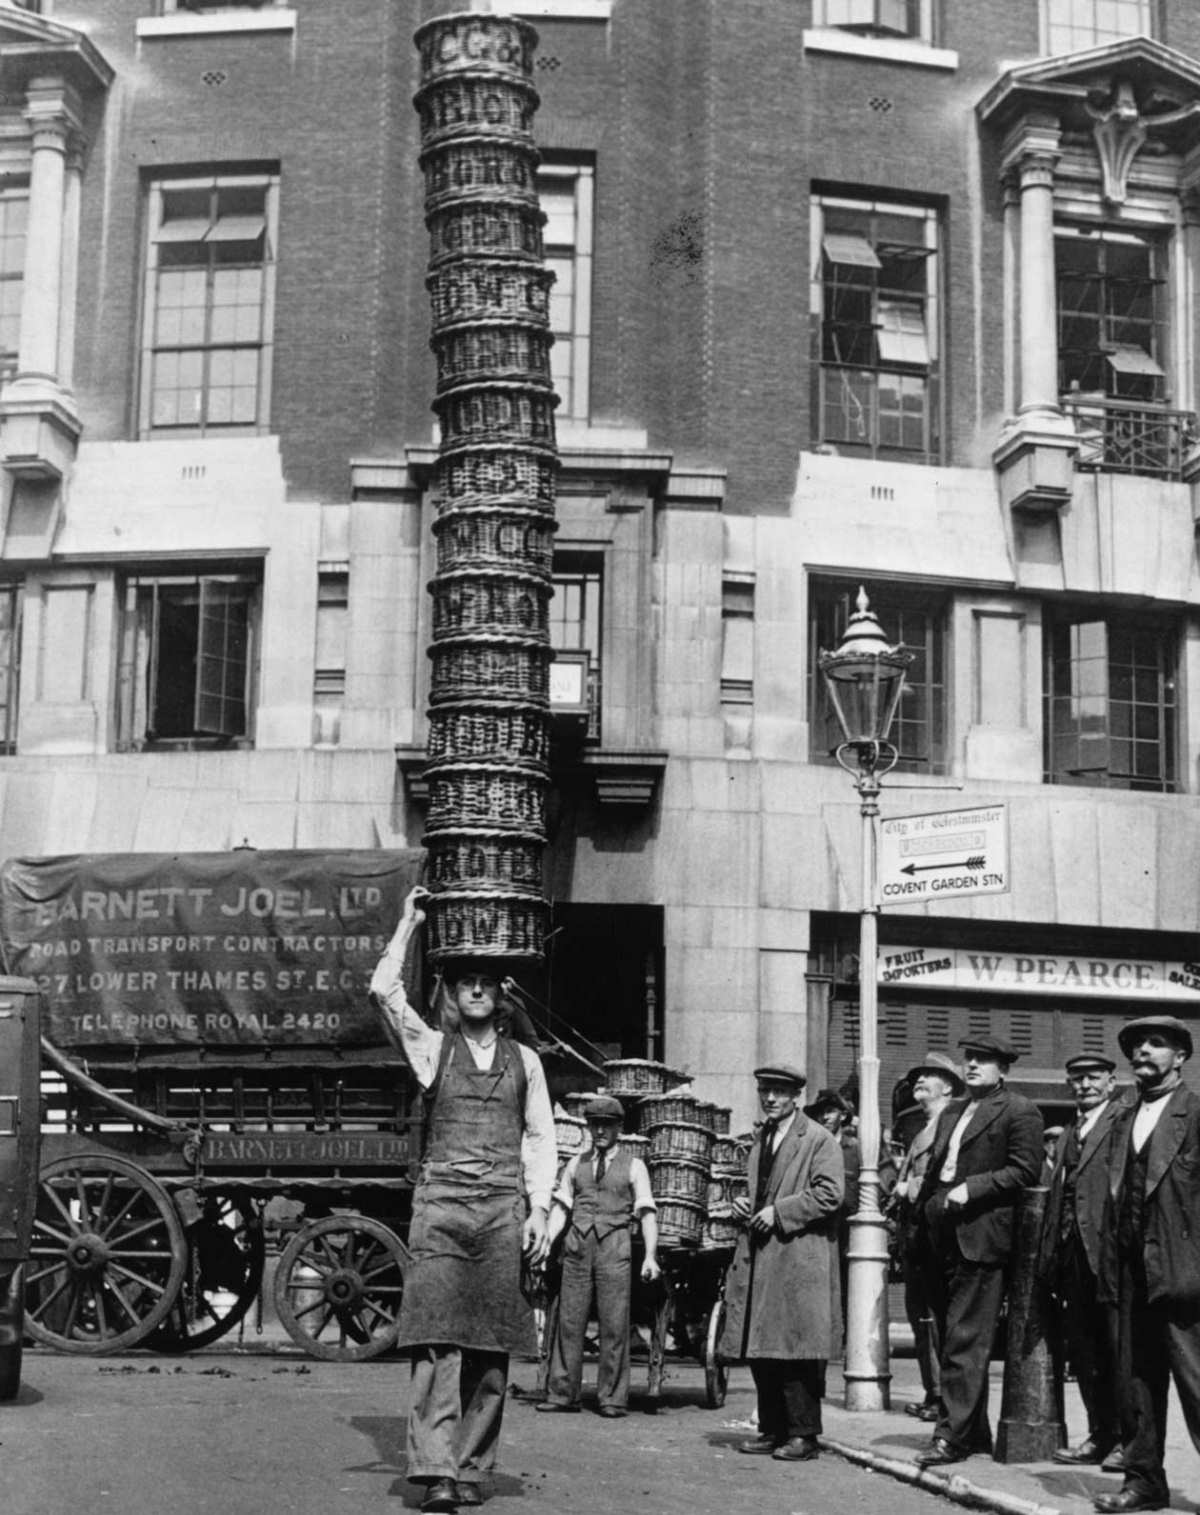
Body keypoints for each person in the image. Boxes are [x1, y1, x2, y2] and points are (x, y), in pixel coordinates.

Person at [370, 885, 557, 1515]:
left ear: (501, 997)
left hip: (503, 1210)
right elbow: (383, 995)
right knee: (438, 1341)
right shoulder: (431, 1050)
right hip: (444, 1210)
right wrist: (409, 925)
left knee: (491, 1344)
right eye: (464, 982)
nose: (475, 990)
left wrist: (540, 1212)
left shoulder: (528, 1062)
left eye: (486, 982)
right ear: (451, 995)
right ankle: (437, 1470)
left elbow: (540, 1139)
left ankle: (475, 1464)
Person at [913, 1035, 1043, 1469]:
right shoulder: (953, 1110)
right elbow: (937, 1169)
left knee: (964, 1341)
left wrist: (974, 1187)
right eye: (969, 1059)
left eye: (984, 1061)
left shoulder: (1020, 1110)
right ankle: (973, 1432)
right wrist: (924, 1210)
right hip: (941, 1234)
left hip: (982, 1237)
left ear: (1003, 1070)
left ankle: (951, 1436)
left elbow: (1026, 1170)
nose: (972, 1066)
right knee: (951, 1335)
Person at [1094, 1015, 1200, 1515]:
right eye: (1136, 1045)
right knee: (1136, 1386)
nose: (1143, 1052)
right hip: (1130, 1272)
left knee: (1198, 1383)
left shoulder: (1196, 1114)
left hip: (1185, 1274)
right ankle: (1145, 1483)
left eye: (1156, 1044)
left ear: (1180, 1057)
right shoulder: (1121, 1119)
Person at [720, 1063, 844, 1463]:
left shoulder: (818, 1140)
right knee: (765, 1349)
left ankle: (804, 1435)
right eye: (765, 1091)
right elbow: (763, 1194)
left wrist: (778, 1212)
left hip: (799, 1258)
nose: (770, 1098)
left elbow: (830, 1195)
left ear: (797, 1097)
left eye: (778, 1092)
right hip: (765, 1255)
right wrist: (747, 1204)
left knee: (796, 1349)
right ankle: (773, 1428)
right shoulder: (763, 1138)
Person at [537, 1094, 660, 1417]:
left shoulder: (634, 1166)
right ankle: (563, 1394)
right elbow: (562, 1206)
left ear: (619, 1127)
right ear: (588, 1127)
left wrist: (650, 1256)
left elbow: (647, 1212)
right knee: (569, 1321)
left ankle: (613, 1399)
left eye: (607, 1125)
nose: (600, 1131)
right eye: (595, 1125)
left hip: (614, 1247)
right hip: (577, 1249)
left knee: (615, 1323)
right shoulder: (576, 1164)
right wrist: (548, 1242)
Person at [1037, 1053, 1125, 1470]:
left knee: (1119, 1350)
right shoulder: (1071, 1130)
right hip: (1073, 1256)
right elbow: (1059, 1196)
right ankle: (1100, 1436)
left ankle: (1131, 1441)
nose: (1084, 1085)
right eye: (1077, 1079)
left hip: (1108, 1254)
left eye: (1093, 1078)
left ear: (1111, 1081)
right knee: (1087, 1354)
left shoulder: (1122, 1121)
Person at [888, 1050, 964, 1423]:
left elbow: (949, 1175)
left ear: (947, 1086)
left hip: (936, 1239)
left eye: (928, 1075)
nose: (919, 1080)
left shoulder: (951, 1125)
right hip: (915, 1239)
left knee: (936, 1319)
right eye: (917, 1075)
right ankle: (933, 1392)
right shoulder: (922, 1129)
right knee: (921, 1318)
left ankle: (942, 1398)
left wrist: (911, 1186)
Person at [804, 1088, 859, 1328]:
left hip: (849, 1228)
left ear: (843, 1115)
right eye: (820, 1113)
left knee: (849, 1282)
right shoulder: (811, 1147)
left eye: (830, 1111)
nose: (825, 1117)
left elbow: (879, 1182)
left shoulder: (855, 1148)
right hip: (820, 1225)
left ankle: (847, 1333)